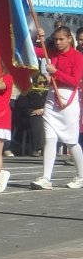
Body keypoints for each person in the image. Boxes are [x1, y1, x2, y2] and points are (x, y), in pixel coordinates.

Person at [34, 26, 83, 190]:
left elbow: (75, 81)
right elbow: (33, 50)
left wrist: (55, 72)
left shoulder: (77, 57)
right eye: (55, 39)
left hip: (68, 99)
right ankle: (46, 177)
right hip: (52, 98)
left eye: (61, 39)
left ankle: (81, 175)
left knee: (71, 141)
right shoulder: (52, 53)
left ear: (69, 39)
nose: (58, 42)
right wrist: (37, 35)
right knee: (49, 138)